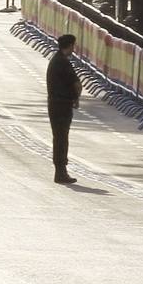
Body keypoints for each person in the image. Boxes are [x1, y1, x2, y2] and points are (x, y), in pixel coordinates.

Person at [47, 34, 83, 184]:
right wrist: (76, 98)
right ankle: (61, 171)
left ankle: (60, 170)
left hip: (54, 103)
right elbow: (76, 83)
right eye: (73, 46)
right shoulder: (63, 62)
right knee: (62, 138)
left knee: (58, 137)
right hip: (62, 104)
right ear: (69, 46)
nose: (74, 49)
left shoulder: (55, 60)